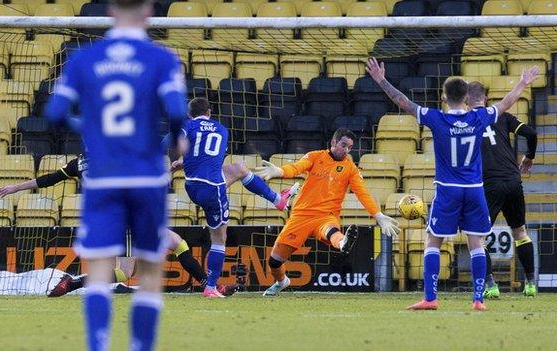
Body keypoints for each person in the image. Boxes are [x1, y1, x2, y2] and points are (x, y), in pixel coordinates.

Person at [44, 0, 188, 349]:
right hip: (146, 177)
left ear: (109, 12)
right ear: (148, 14)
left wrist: (89, 127)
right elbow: (176, 111)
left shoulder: (83, 59)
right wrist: (175, 145)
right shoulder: (162, 59)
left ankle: (99, 345)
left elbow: (54, 112)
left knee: (99, 268)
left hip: (103, 176)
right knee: (150, 269)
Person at [366, 57, 539, 311]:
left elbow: (402, 101)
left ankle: (431, 298)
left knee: (433, 241)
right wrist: (523, 83)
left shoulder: (437, 118)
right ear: (466, 98)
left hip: (447, 190)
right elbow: (506, 103)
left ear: (444, 98)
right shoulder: (479, 118)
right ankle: (478, 300)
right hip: (475, 190)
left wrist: (382, 81)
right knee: (476, 243)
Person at [0, 154, 238, 297]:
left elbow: (48, 180)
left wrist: (15, 187)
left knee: (176, 242)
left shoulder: (80, 162)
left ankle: (208, 286)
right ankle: (73, 283)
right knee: (125, 272)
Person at [176, 97, 300, 298]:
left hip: (192, 186)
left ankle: (278, 200)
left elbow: (181, 147)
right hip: (213, 189)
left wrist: (178, 160)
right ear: (209, 112)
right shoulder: (221, 129)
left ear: (190, 114)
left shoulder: (188, 125)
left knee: (240, 169)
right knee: (219, 238)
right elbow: (212, 158)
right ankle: (211, 288)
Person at [255, 127, 400, 296]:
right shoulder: (315, 156)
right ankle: (282, 282)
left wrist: (378, 215)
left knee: (332, 232)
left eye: (350, 147)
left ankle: (344, 243)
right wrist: (279, 171)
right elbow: (297, 168)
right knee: (274, 261)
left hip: (326, 216)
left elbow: (362, 193)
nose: (346, 150)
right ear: (333, 142)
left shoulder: (350, 168)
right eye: (343, 145)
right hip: (301, 216)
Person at [467, 81, 538, 298]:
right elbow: (531, 134)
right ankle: (531, 284)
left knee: (477, 237)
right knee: (520, 232)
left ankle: (490, 285)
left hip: (489, 183)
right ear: (486, 99)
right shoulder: (502, 115)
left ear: (467, 102)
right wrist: (529, 157)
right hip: (513, 180)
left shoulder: (467, 121)